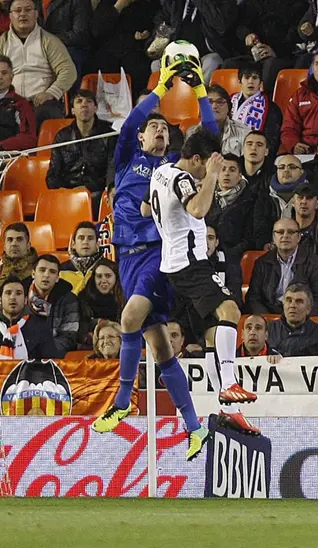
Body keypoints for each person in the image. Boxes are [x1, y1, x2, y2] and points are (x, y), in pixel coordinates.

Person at [91, 57, 221, 461]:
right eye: (155, 127)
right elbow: (129, 123)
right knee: (161, 350)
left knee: (128, 319)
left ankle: (124, 398)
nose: (160, 131)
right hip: (125, 260)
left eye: (166, 128)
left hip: (157, 255)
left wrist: (198, 90)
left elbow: (210, 143)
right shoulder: (130, 159)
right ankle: (195, 428)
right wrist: (161, 86)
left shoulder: (172, 170)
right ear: (143, 137)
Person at [149, 127, 261, 440]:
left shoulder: (162, 171)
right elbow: (198, 209)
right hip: (190, 264)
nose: (205, 173)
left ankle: (228, 409)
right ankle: (228, 387)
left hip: (172, 263)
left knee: (214, 331)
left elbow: (147, 208)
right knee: (230, 311)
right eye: (205, 165)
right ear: (197, 159)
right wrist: (210, 176)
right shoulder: (184, 178)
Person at [0, 0, 76, 127]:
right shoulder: (3, 42)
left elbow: (68, 71)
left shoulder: (49, 41)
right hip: (9, 102)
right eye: (18, 10)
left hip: (41, 103)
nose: (23, 14)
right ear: (10, 16)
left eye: (28, 10)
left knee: (44, 115)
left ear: (36, 14)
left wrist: (51, 92)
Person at [46, 89, 116, 214]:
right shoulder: (62, 137)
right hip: (68, 194)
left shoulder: (109, 135)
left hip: (99, 195)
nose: (84, 104)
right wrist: (68, 191)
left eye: (89, 101)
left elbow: (112, 169)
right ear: (72, 110)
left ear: (95, 108)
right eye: (79, 101)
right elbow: (52, 175)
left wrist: (99, 190)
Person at [245, 218, 318, 315]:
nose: (285, 236)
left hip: (302, 320)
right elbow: (253, 298)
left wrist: (298, 318)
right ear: (274, 237)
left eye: (291, 232)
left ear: (298, 237)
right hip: (269, 319)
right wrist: (266, 320)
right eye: (280, 232)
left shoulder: (315, 264)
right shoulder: (262, 263)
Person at [226, 0, 308, 95]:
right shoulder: (251, 4)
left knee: (270, 65)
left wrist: (275, 51)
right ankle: (236, 105)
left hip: (283, 55)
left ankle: (266, 104)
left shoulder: (298, 4)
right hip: (255, 53)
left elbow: (296, 35)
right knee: (229, 64)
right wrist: (247, 35)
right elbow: (241, 26)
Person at [149, 0, 237, 84]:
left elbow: (221, 25)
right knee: (156, 65)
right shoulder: (174, 3)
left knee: (212, 61)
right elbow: (162, 22)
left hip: (204, 55)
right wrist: (160, 41)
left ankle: (200, 96)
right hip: (177, 55)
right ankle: (170, 97)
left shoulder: (222, 2)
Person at [88, 0, 158, 97]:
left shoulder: (147, 4)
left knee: (138, 69)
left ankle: (137, 104)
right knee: (102, 64)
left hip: (136, 48)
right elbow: (97, 30)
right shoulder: (108, 3)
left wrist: (146, 34)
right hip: (108, 49)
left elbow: (153, 24)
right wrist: (118, 7)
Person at [23, 254, 79, 357]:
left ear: (58, 277)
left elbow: (69, 337)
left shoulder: (69, 299)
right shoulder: (19, 294)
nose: (46, 275)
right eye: (42, 270)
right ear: (33, 273)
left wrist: (43, 352)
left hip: (53, 358)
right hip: (21, 354)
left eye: (52, 272)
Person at [252, 154, 308, 250]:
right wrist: (264, 244)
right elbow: (259, 228)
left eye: (292, 167)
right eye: (281, 167)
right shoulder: (264, 196)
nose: (286, 170)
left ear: (301, 172)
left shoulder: (310, 196)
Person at [205, 153, 254, 262]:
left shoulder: (251, 200)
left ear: (239, 175)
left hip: (236, 259)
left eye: (232, 170)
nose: (226, 173)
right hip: (207, 255)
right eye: (223, 169)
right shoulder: (206, 197)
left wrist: (227, 255)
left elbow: (250, 238)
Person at [230, 63, 282, 158]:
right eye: (246, 77)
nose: (250, 81)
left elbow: (272, 140)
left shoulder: (271, 108)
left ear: (260, 83)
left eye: (255, 78)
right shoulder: (228, 102)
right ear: (239, 82)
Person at [0, 275, 57, 359]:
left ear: (26, 300)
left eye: (18, 293)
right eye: (8, 293)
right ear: (0, 300)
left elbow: (50, 363)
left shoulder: (40, 327)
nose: (13, 297)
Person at [35, 0, 91, 84]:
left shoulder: (78, 2)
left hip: (69, 47)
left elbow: (80, 34)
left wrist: (49, 40)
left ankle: (70, 96)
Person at [267, 283, 318, 358]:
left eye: (299, 301)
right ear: (283, 305)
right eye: (289, 300)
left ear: (308, 309)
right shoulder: (268, 329)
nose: (292, 305)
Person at [78, 257, 124, 344]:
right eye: (99, 276)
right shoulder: (82, 298)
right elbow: (80, 333)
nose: (103, 280)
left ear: (116, 278)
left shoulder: (125, 298)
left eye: (108, 276)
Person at [0, 54, 35, 151]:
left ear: (12, 76)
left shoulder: (21, 104)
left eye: (4, 73)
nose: (0, 77)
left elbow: (29, 138)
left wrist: (2, 146)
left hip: (8, 158)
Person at [59, 222, 103, 295]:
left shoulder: (108, 269)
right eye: (81, 238)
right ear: (73, 244)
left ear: (97, 244)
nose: (85, 242)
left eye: (90, 238)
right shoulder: (61, 270)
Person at [206, 84, 250, 157]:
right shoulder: (193, 133)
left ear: (229, 107)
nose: (214, 106)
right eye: (209, 102)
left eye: (220, 102)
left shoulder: (245, 133)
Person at [135, 89, 183, 154]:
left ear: (159, 110)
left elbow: (174, 159)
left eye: (153, 106)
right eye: (144, 107)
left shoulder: (174, 133)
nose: (149, 110)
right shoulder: (129, 134)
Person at [203, 223, 242, 304]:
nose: (206, 242)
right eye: (201, 238)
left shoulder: (230, 263)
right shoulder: (185, 263)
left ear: (216, 242)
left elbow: (235, 296)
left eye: (210, 238)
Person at [241, 130, 273, 198]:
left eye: (259, 145)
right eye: (249, 144)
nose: (253, 148)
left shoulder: (273, 174)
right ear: (243, 149)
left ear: (266, 152)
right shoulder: (232, 168)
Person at [96, 182, 115, 262]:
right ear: (107, 201)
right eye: (114, 196)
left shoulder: (138, 228)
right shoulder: (97, 229)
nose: (119, 200)